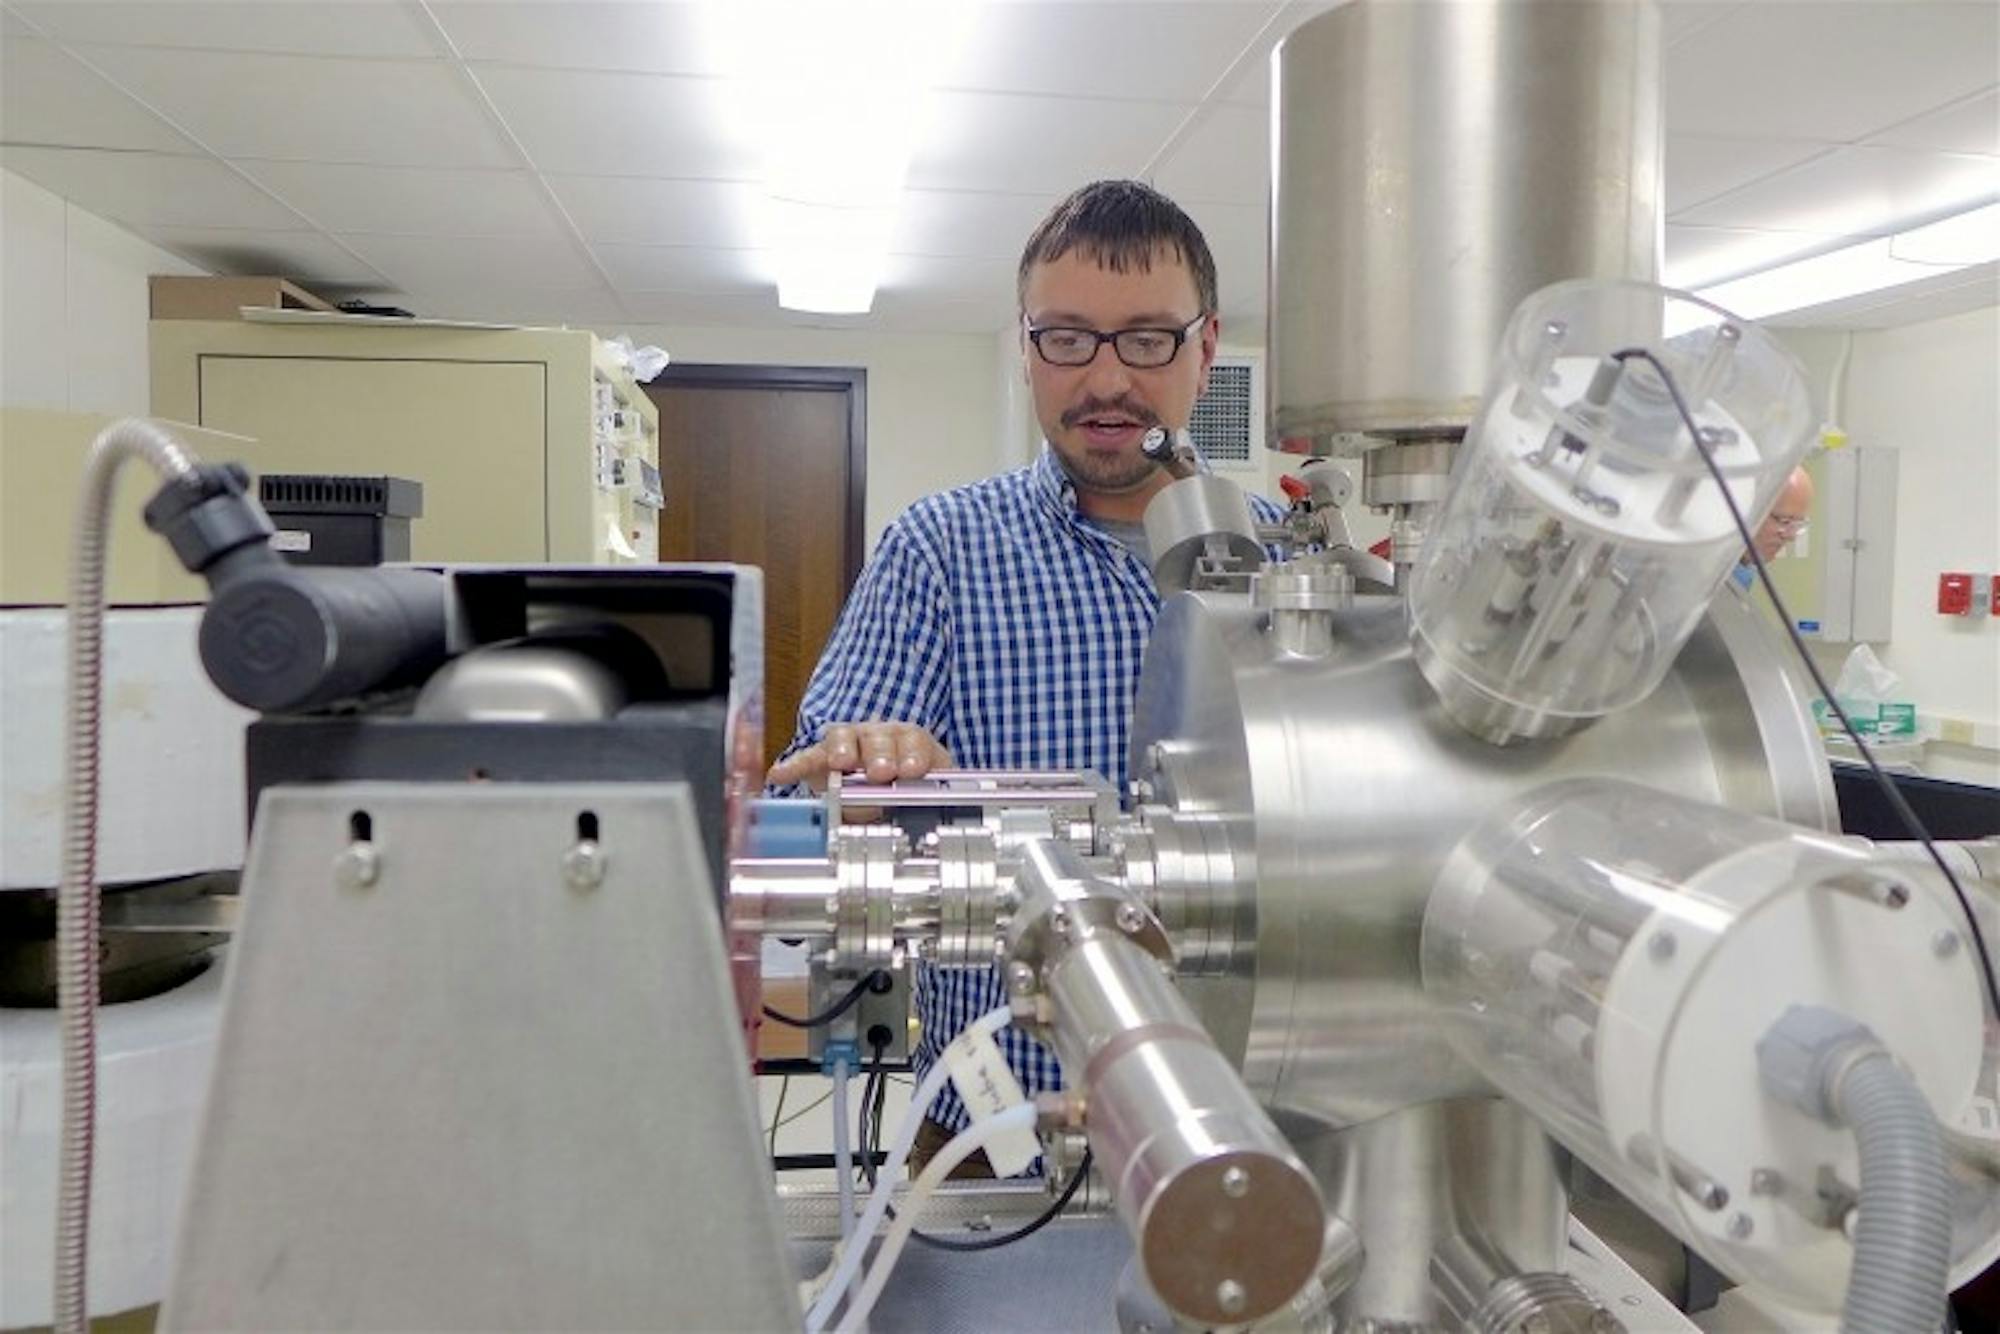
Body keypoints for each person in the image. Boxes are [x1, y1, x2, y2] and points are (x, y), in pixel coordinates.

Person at [766, 179, 1284, 1173]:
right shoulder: (942, 548)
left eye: (1144, 339)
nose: (1103, 378)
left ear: (1205, 348)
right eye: (1065, 338)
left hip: (1247, 1117)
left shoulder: (1282, 566)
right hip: (995, 1126)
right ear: (1023, 346)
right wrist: (868, 769)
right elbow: (817, 790)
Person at [1733, 464, 1813, 589]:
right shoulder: (1702, 573)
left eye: (1798, 524)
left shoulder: (1743, 572)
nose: (1791, 536)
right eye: (1784, 521)